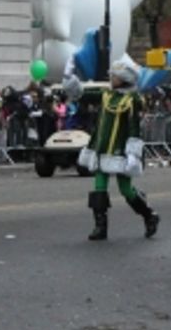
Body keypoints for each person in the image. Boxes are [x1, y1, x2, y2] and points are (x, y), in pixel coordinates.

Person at [65, 55, 159, 241]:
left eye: (115, 76)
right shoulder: (105, 94)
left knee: (126, 190)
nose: (111, 78)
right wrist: (70, 78)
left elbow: (133, 128)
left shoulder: (133, 100)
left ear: (124, 78)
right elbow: (81, 94)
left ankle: (149, 216)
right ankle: (100, 227)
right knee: (99, 187)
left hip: (120, 152)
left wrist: (133, 154)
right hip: (101, 149)